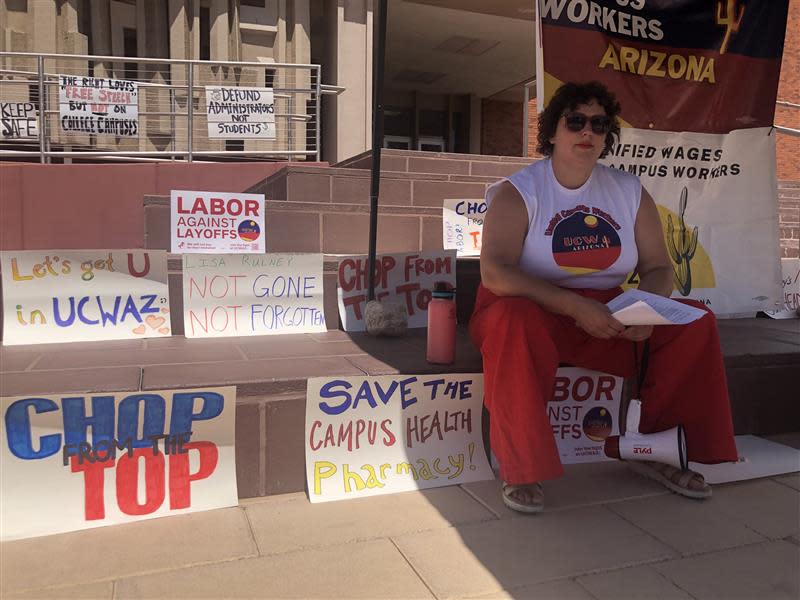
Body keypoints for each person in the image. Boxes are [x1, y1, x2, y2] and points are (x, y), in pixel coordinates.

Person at [469, 81, 738, 513]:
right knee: (512, 321)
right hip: (530, 308)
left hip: (606, 310)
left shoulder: (628, 191)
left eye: (599, 123)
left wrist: (644, 308)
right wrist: (574, 306)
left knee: (693, 324)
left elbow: (659, 268)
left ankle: (658, 450)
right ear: (552, 132)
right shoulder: (519, 192)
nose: (587, 131)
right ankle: (520, 466)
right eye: (575, 120)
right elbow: (496, 273)